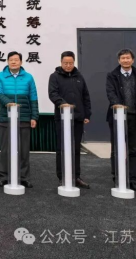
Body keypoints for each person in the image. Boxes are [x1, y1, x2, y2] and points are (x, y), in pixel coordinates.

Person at [105, 48, 136, 192]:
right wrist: (118, 105)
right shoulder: (112, 75)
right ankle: (117, 177)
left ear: (132, 60)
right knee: (116, 149)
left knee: (133, 149)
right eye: (123, 58)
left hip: (135, 117)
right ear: (119, 60)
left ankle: (132, 179)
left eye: (128, 58)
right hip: (117, 116)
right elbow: (110, 93)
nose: (125, 60)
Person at [0, 51, 38, 188]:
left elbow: (33, 98)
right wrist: (9, 104)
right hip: (6, 117)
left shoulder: (28, 77)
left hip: (24, 117)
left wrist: (34, 116)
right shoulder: (0, 76)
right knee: (6, 149)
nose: (13, 62)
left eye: (16, 59)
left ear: (21, 62)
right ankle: (4, 176)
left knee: (24, 150)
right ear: (7, 61)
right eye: (11, 60)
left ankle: (24, 177)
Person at [48, 51, 92, 189]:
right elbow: (53, 94)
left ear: (74, 63)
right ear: (61, 62)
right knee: (62, 148)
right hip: (62, 118)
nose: (68, 65)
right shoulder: (55, 76)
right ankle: (62, 176)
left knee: (76, 148)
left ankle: (76, 176)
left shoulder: (79, 77)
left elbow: (85, 96)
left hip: (77, 118)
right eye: (65, 63)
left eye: (70, 63)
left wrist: (87, 114)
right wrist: (63, 104)